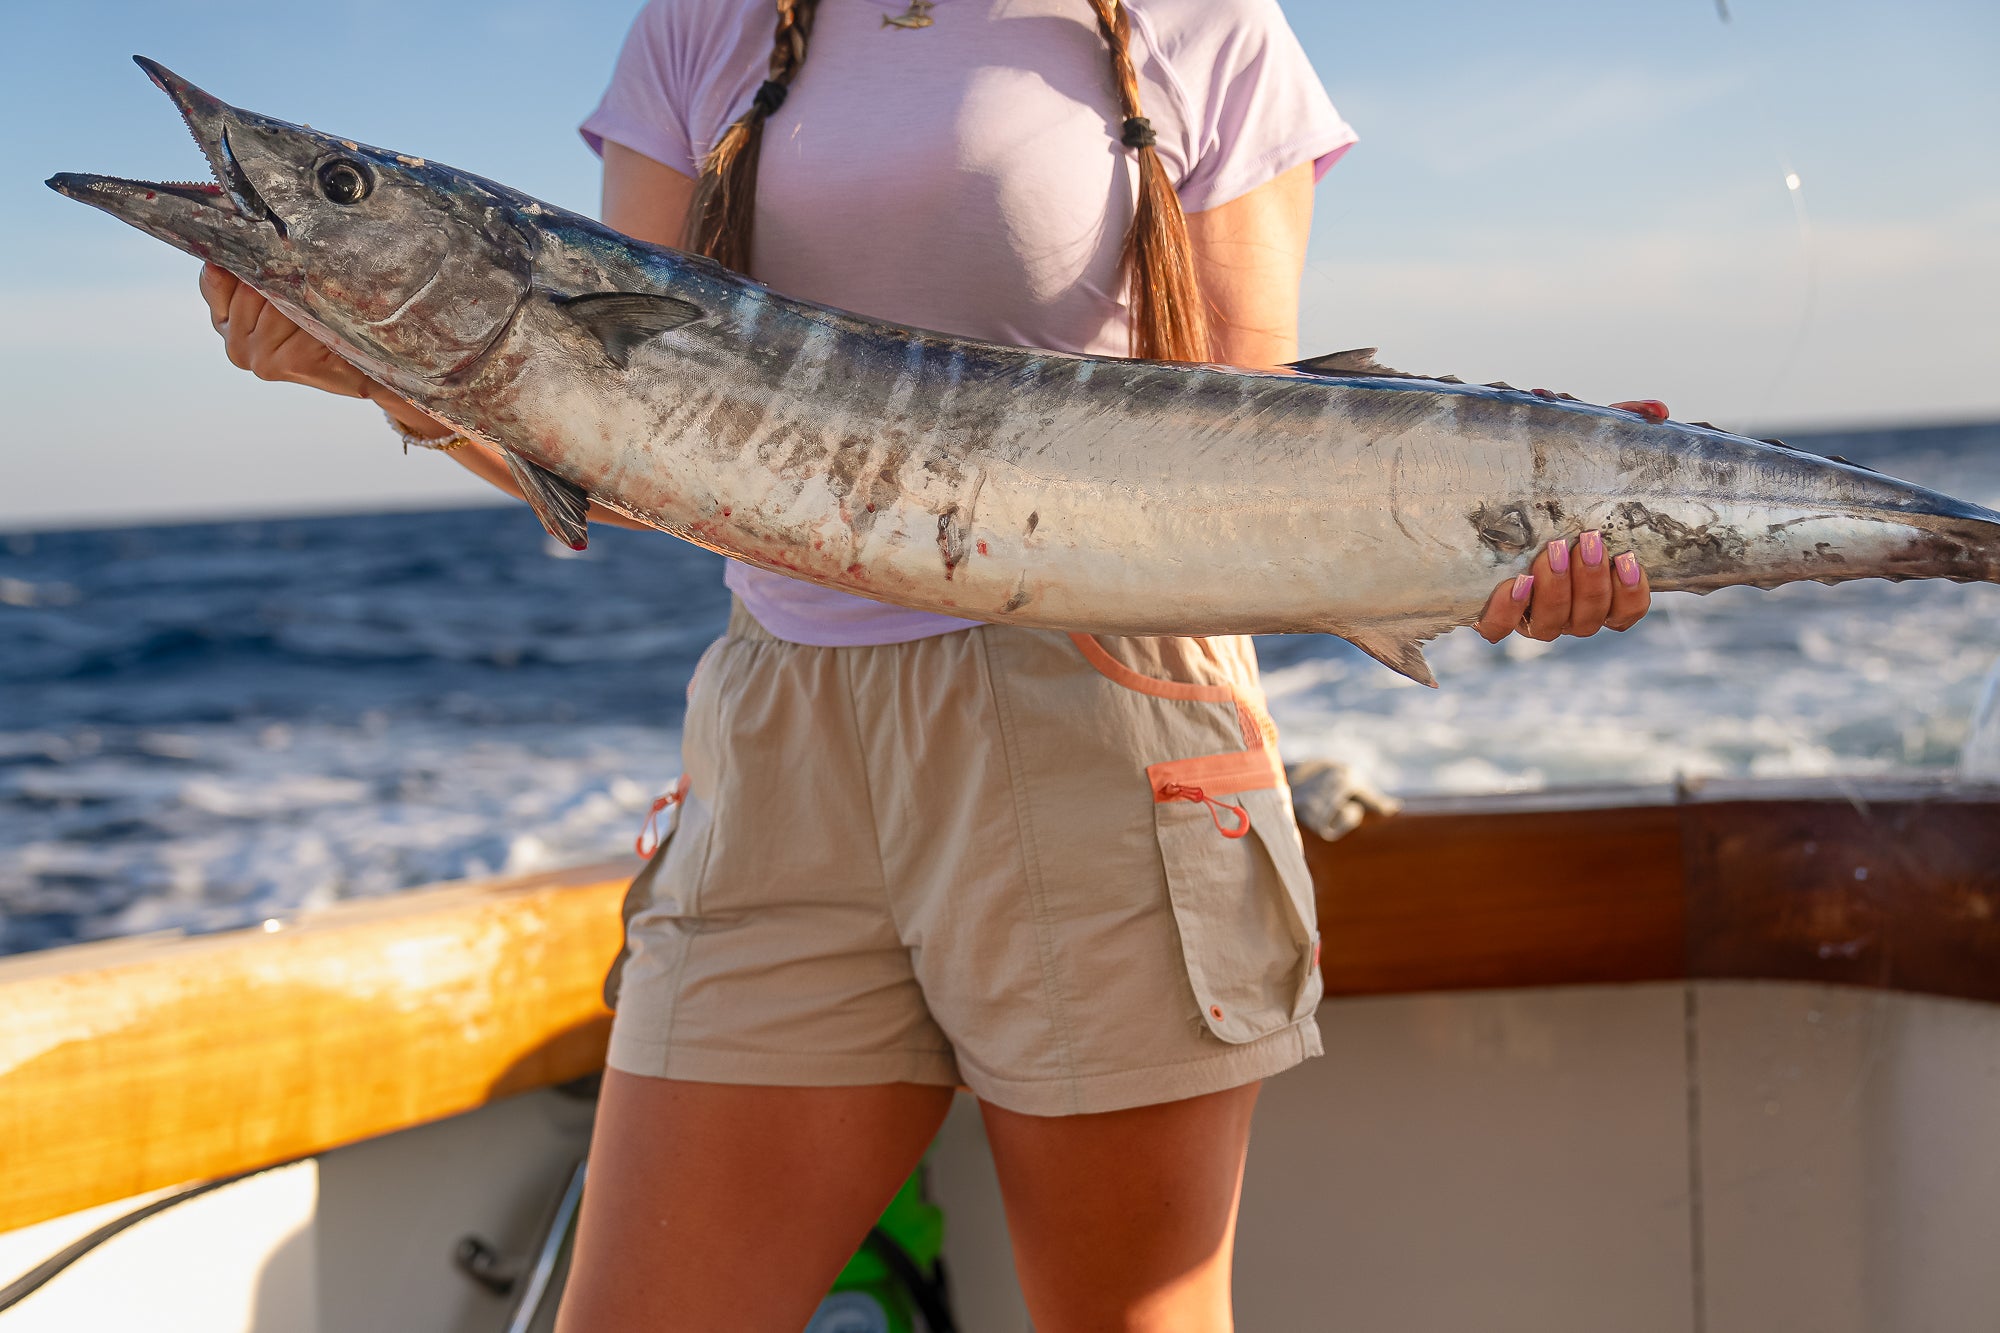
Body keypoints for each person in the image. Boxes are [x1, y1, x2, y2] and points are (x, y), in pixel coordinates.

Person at [196, 1, 1656, 1326]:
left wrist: (1504, 542)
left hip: (1102, 715)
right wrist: (363, 359)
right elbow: (618, 445)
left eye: (343, 193)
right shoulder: (701, 28)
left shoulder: (1203, 22)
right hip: (780, 741)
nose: (318, 199)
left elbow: (1261, 458)